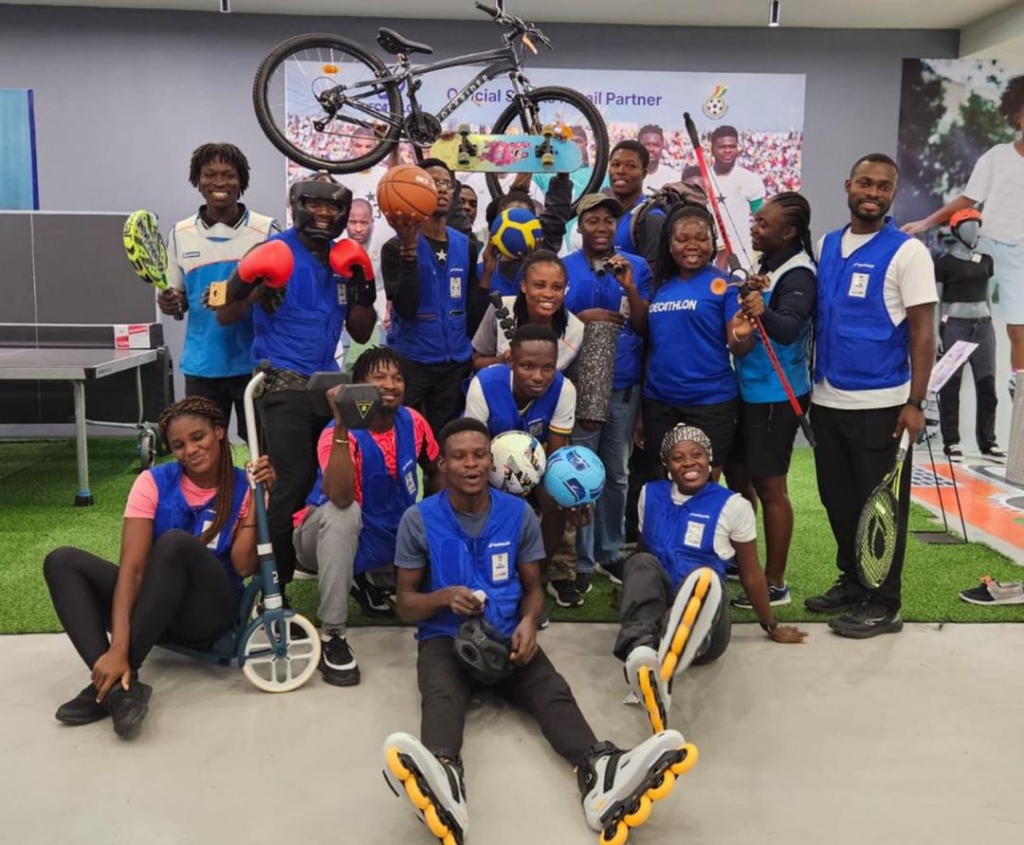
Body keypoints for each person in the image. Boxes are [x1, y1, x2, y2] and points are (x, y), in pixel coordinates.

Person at [382, 417, 695, 845]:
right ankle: (443, 776)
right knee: (441, 696)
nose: (471, 464)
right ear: (442, 464)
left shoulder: (517, 514)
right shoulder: (418, 519)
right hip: (444, 637)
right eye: (459, 457)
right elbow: (405, 603)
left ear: (491, 462)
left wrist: (529, 623)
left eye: (479, 455)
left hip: (507, 632)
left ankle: (600, 772)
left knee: (552, 691)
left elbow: (533, 589)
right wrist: (442, 597)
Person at [42, 397, 275, 740]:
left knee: (175, 544)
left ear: (219, 432)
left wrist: (257, 501)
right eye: (179, 445)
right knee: (62, 561)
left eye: (198, 437)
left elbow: (242, 566)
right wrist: (116, 648)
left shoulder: (246, 484)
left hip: (208, 614)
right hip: (154, 613)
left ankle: (111, 682)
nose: (190, 450)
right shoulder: (152, 482)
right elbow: (133, 569)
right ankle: (119, 690)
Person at [216, 172, 377, 593]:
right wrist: (248, 284)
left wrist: (363, 286)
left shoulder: (346, 258)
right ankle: (273, 582)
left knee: (339, 478)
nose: (323, 213)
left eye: (333, 206)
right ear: (297, 205)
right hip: (280, 382)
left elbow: (361, 332)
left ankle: (336, 561)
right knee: (292, 479)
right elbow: (225, 315)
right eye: (315, 203)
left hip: (327, 385)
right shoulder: (273, 251)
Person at [806, 153, 937, 638]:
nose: (873, 193)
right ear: (849, 185)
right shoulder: (827, 245)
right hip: (827, 399)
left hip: (883, 404)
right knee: (837, 500)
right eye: (866, 183)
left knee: (879, 508)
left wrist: (916, 402)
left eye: (883, 187)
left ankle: (884, 602)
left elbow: (923, 332)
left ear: (892, 195)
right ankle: (854, 581)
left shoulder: (908, 253)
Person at [615, 425, 807, 735]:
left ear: (710, 459)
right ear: (666, 465)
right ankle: (643, 655)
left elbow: (751, 574)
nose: (689, 463)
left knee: (702, 578)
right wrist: (633, 593)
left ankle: (665, 654)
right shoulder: (650, 494)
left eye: (697, 455)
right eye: (678, 458)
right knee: (639, 562)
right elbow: (643, 554)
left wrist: (771, 625)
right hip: (659, 614)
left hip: (707, 626)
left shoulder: (734, 505)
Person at [292, 347, 441, 687]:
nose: (390, 384)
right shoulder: (334, 433)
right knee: (345, 513)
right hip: (321, 539)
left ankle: (371, 578)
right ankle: (332, 635)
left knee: (438, 511)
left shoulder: (413, 421)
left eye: (397, 377)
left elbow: (437, 471)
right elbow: (341, 497)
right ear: (358, 387)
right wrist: (343, 423)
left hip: (385, 536)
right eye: (379, 377)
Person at [902, 76, 1024, 394]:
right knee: (963, 322)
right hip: (983, 248)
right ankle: (935, 385)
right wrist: (925, 223)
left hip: (1020, 255)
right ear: (1017, 115)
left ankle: (1019, 386)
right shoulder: (997, 156)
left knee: (1019, 329)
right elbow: (968, 199)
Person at [725, 192, 817, 607]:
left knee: (770, 487)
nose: (755, 228)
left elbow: (788, 329)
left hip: (778, 395)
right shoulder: (769, 265)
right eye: (755, 221)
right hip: (749, 388)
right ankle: (742, 559)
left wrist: (761, 311)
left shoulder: (799, 275)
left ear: (789, 232)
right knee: (738, 477)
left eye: (764, 224)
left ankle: (775, 582)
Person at [158, 143, 278, 439]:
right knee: (206, 449)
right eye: (210, 174)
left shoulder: (266, 230)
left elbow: (277, 294)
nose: (219, 182)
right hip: (203, 365)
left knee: (262, 447)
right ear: (198, 181)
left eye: (229, 175)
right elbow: (179, 300)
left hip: (257, 362)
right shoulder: (180, 233)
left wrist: (243, 295)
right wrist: (172, 303)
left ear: (241, 181)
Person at [562, 194, 652, 591]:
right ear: (579, 226)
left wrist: (630, 288)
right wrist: (581, 319)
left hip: (623, 383)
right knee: (580, 472)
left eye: (608, 221)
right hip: (577, 386)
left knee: (616, 473)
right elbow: (549, 321)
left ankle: (610, 551)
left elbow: (645, 325)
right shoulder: (565, 268)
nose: (601, 228)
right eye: (593, 220)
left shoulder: (637, 266)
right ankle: (581, 559)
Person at [464, 324, 582, 606]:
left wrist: (567, 495)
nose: (539, 376)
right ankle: (483, 576)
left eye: (548, 367)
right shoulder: (484, 384)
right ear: (511, 362)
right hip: (486, 461)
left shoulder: (564, 389)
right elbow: (473, 449)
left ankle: (535, 580)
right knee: (491, 504)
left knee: (558, 501)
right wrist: (508, 484)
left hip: (536, 461)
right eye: (528, 366)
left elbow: (556, 456)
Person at [637, 204, 750, 484]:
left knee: (703, 484)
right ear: (669, 244)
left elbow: (739, 346)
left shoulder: (725, 285)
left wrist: (743, 333)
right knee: (664, 481)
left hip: (710, 402)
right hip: (660, 402)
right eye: (682, 239)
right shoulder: (661, 287)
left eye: (701, 238)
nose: (692, 245)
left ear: (713, 242)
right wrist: (641, 410)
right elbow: (653, 348)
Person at [382, 158, 490, 437]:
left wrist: (486, 278)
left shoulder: (466, 245)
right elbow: (406, 308)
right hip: (412, 361)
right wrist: (409, 253)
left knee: (445, 443)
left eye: (446, 183)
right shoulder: (394, 247)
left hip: (454, 365)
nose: (441, 189)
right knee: (405, 437)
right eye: (432, 182)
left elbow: (471, 311)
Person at [933, 209, 1003, 461]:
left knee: (987, 386)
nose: (974, 230)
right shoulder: (944, 263)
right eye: (968, 225)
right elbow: (936, 301)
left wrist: (991, 324)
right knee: (951, 387)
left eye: (976, 225)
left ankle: (988, 442)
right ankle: (951, 442)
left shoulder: (986, 260)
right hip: (955, 327)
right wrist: (936, 333)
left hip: (983, 326)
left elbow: (987, 296)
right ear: (956, 230)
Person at [472, 249, 584, 372]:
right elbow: (477, 362)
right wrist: (503, 360)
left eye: (557, 287)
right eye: (539, 285)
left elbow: (571, 381)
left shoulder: (576, 331)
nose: (548, 294)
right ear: (524, 286)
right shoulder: (500, 308)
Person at [341, 198, 389, 374]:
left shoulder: (385, 244)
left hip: (381, 306)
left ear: (372, 222)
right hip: (345, 309)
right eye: (353, 222)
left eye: (363, 223)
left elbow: (392, 282)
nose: (358, 228)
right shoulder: (336, 246)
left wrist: (389, 309)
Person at [708, 125, 767, 264]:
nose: (728, 150)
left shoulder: (750, 180)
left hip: (742, 259)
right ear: (712, 149)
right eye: (722, 147)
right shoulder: (702, 178)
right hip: (708, 256)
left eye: (732, 146)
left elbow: (761, 218)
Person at [608, 140, 666, 268]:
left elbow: (652, 275)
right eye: (615, 165)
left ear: (644, 174)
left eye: (630, 166)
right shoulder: (608, 213)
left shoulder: (652, 218)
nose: (620, 171)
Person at [638, 123, 673, 191]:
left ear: (662, 147)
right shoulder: (627, 176)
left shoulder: (673, 178)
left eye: (656, 145)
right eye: (646, 145)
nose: (651, 149)